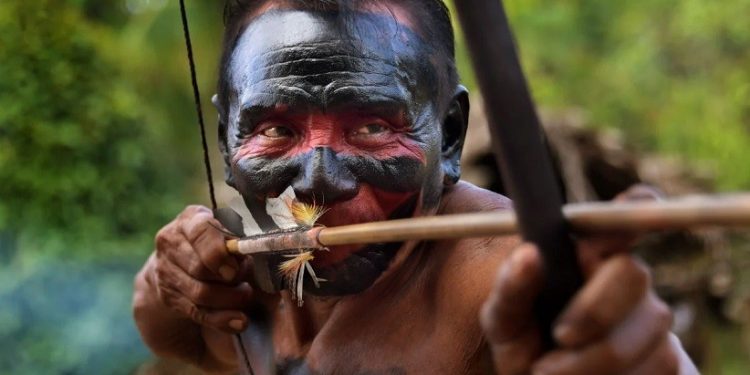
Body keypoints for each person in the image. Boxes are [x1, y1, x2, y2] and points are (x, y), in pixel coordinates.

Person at [133, 1, 698, 373]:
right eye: (277, 130)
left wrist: (632, 353)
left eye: (374, 128)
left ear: (449, 137)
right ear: (227, 140)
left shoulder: (497, 276)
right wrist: (168, 280)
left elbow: (599, 337)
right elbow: (169, 330)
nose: (318, 180)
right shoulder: (236, 276)